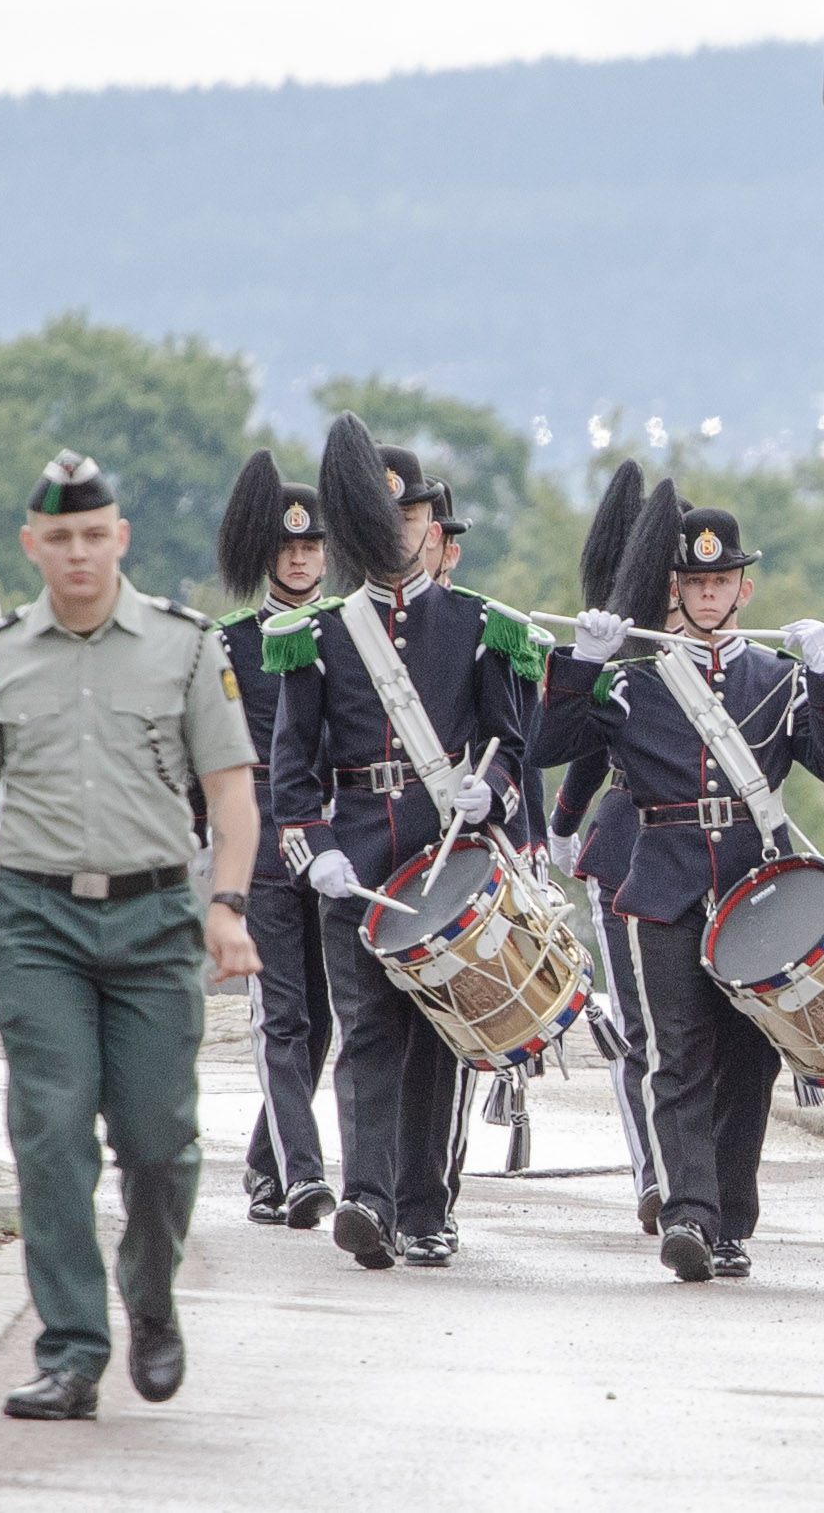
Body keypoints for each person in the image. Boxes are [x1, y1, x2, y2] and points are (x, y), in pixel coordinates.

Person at [0, 449, 263, 1421]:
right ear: (33, 545)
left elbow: (233, 797)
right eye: (58, 538)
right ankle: (71, 1349)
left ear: (121, 538)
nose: (76, 553)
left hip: (156, 919)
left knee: (160, 1140)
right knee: (51, 1132)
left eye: (92, 535)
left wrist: (226, 906)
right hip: (37, 922)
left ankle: (150, 1300)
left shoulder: (187, 648)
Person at [535, 483, 824, 1283]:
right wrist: (582, 660)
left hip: (755, 890)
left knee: (749, 1059)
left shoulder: (777, 679)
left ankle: (731, 1220)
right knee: (676, 1055)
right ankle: (687, 1213)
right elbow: (548, 743)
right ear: (672, 590)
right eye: (693, 583)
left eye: (721, 582)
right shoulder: (631, 681)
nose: (708, 594)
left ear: (744, 588)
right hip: (665, 879)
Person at [266, 415, 536, 1271]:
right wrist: (316, 847)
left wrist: (489, 788)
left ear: (429, 524)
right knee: (368, 1030)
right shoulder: (318, 633)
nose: (400, 533)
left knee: (439, 1034)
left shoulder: (478, 624)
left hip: (446, 856)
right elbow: (293, 766)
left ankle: (428, 1205)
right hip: (358, 854)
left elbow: (512, 743)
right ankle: (369, 1200)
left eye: (411, 517)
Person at [212, 452, 339, 1231]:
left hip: (332, 835)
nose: (300, 558)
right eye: (288, 548)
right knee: (281, 1015)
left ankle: (263, 1162)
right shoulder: (229, 642)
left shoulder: (346, 633)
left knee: (323, 1021)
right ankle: (303, 1175)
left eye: (312, 547)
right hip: (260, 837)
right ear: (269, 555)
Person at [543, 460, 659, 1232]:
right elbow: (586, 742)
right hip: (628, 846)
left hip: (716, 851)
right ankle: (655, 1174)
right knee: (647, 1036)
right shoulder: (628, 651)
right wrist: (565, 816)